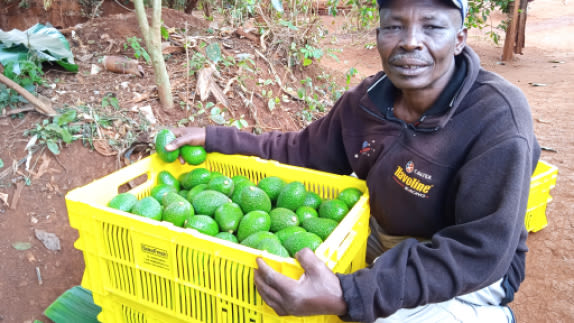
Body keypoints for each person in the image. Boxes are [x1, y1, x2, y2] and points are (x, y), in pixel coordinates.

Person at [165, 0, 540, 321]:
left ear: (459, 39)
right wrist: (216, 137)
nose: (410, 42)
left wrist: (350, 294)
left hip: (473, 269)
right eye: (394, 25)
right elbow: (302, 151)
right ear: (378, 36)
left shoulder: (496, 118)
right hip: (384, 237)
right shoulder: (368, 102)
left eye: (432, 26)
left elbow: (478, 251)